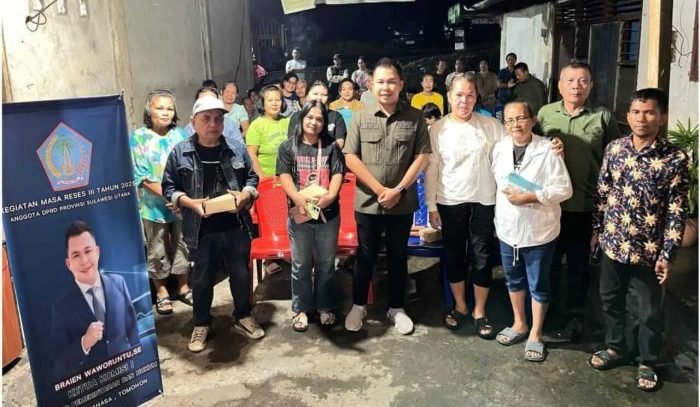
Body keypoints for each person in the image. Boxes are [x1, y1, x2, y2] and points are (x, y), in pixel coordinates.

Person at [588, 88, 690, 392]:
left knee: (648, 310)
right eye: (635, 112)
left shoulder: (674, 158)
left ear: (662, 117)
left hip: (649, 251)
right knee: (610, 300)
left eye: (649, 112)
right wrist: (597, 231)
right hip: (613, 243)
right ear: (628, 115)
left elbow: (677, 210)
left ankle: (647, 360)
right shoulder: (615, 149)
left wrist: (667, 254)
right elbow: (602, 193)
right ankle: (616, 347)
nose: (641, 118)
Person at [162, 96, 264, 352]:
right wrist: (188, 202)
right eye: (206, 119)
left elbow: (252, 179)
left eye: (218, 119)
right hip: (201, 228)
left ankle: (243, 315)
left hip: (236, 224)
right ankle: (201, 323)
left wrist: (246, 195)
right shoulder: (180, 152)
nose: (213, 124)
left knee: (240, 274)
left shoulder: (236, 148)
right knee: (202, 278)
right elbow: (169, 188)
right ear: (193, 122)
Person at [342, 57, 431, 335]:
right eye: (380, 81)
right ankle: (359, 305)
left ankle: (396, 308)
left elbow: (422, 157)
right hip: (368, 202)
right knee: (365, 256)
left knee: (398, 256)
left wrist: (399, 190)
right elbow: (350, 157)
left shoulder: (415, 117)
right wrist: (380, 190)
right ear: (371, 85)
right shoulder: (360, 116)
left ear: (401, 84)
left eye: (391, 81)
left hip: (401, 203)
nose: (386, 87)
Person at [538, 61, 621, 336]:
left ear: (591, 85)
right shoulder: (545, 114)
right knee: (548, 263)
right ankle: (546, 314)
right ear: (560, 86)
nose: (576, 86)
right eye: (570, 81)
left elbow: (616, 159)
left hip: (584, 206)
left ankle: (575, 316)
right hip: (550, 205)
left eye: (583, 81)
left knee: (578, 266)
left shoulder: (602, 117)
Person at [425, 75, 506, 340]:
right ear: (449, 96)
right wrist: (431, 205)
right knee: (454, 254)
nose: (464, 100)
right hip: (450, 200)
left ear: (476, 97)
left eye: (470, 95)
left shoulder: (491, 126)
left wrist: (547, 145)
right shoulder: (438, 129)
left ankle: (479, 311)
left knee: (482, 256)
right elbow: (431, 169)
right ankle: (460, 306)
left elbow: (512, 152)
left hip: (484, 199)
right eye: (459, 95)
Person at [492, 101, 573, 362]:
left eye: (521, 118)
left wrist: (531, 196)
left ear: (532, 120)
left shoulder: (548, 148)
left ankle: (536, 334)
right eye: (510, 120)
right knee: (513, 280)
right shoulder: (499, 148)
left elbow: (564, 189)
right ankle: (519, 323)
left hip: (539, 230)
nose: (516, 124)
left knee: (538, 284)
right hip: (508, 229)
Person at [277, 100, 346, 332]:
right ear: (302, 118)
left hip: (329, 215)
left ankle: (325, 306)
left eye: (319, 119)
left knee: (326, 263)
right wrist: (298, 199)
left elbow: (337, 174)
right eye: (310, 117)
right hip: (300, 215)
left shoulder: (332, 147)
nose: (314, 122)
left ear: (324, 123)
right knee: (301, 264)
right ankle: (301, 309)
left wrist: (331, 196)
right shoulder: (288, 147)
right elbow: (284, 175)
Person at [51, 221, 140, 379]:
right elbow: (59, 362)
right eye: (76, 255)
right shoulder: (61, 308)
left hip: (128, 376)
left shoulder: (119, 283)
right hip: (93, 386)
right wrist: (84, 342)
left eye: (88, 251)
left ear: (97, 252)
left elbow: (133, 330)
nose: (84, 260)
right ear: (68, 263)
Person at [130, 90, 190, 315]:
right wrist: (171, 196)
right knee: (157, 249)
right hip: (153, 206)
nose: (165, 113)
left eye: (169, 108)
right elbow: (142, 177)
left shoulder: (180, 135)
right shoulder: (138, 138)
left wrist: (182, 198)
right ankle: (162, 292)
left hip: (181, 203)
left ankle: (183, 286)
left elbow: (188, 168)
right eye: (160, 108)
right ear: (149, 111)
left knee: (184, 244)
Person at [246, 85, 291, 179]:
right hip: (267, 179)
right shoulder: (256, 125)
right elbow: (251, 155)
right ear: (263, 103)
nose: (274, 104)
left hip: (289, 179)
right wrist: (261, 178)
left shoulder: (289, 122)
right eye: (270, 100)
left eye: (278, 100)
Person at [288, 80, 347, 148]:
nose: (319, 98)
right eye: (315, 94)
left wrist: (324, 152)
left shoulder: (336, 116)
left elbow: (340, 142)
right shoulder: (297, 116)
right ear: (307, 96)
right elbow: (292, 142)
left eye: (324, 95)